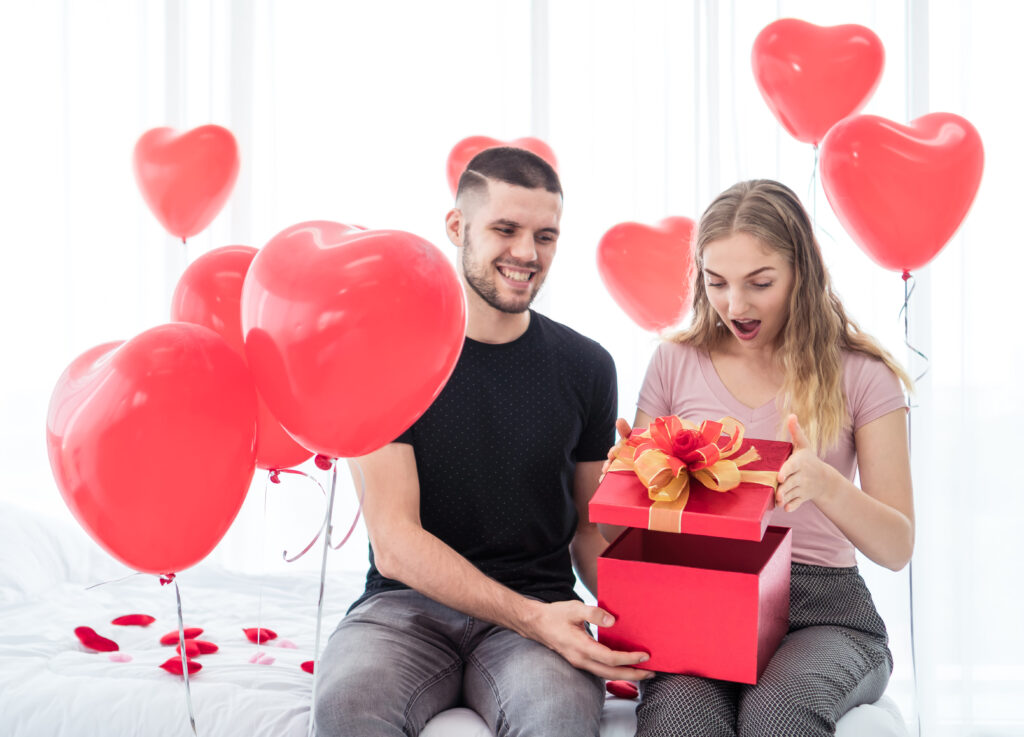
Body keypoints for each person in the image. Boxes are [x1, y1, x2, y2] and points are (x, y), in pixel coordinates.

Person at [314, 147, 653, 737]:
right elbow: (394, 542)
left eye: (545, 236)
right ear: (456, 227)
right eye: (505, 229)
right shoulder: (389, 358)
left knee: (558, 723)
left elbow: (588, 531)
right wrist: (532, 619)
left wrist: (655, 628)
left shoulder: (588, 366)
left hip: (542, 609)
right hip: (403, 608)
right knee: (347, 709)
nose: (527, 253)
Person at [610, 179, 914, 737]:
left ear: (803, 271)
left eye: (760, 283)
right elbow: (620, 533)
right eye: (716, 282)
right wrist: (627, 481)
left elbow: (897, 547)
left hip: (823, 611)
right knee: (678, 719)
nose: (735, 305)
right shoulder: (674, 362)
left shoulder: (863, 374)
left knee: (776, 717)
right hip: (705, 599)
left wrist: (825, 485)